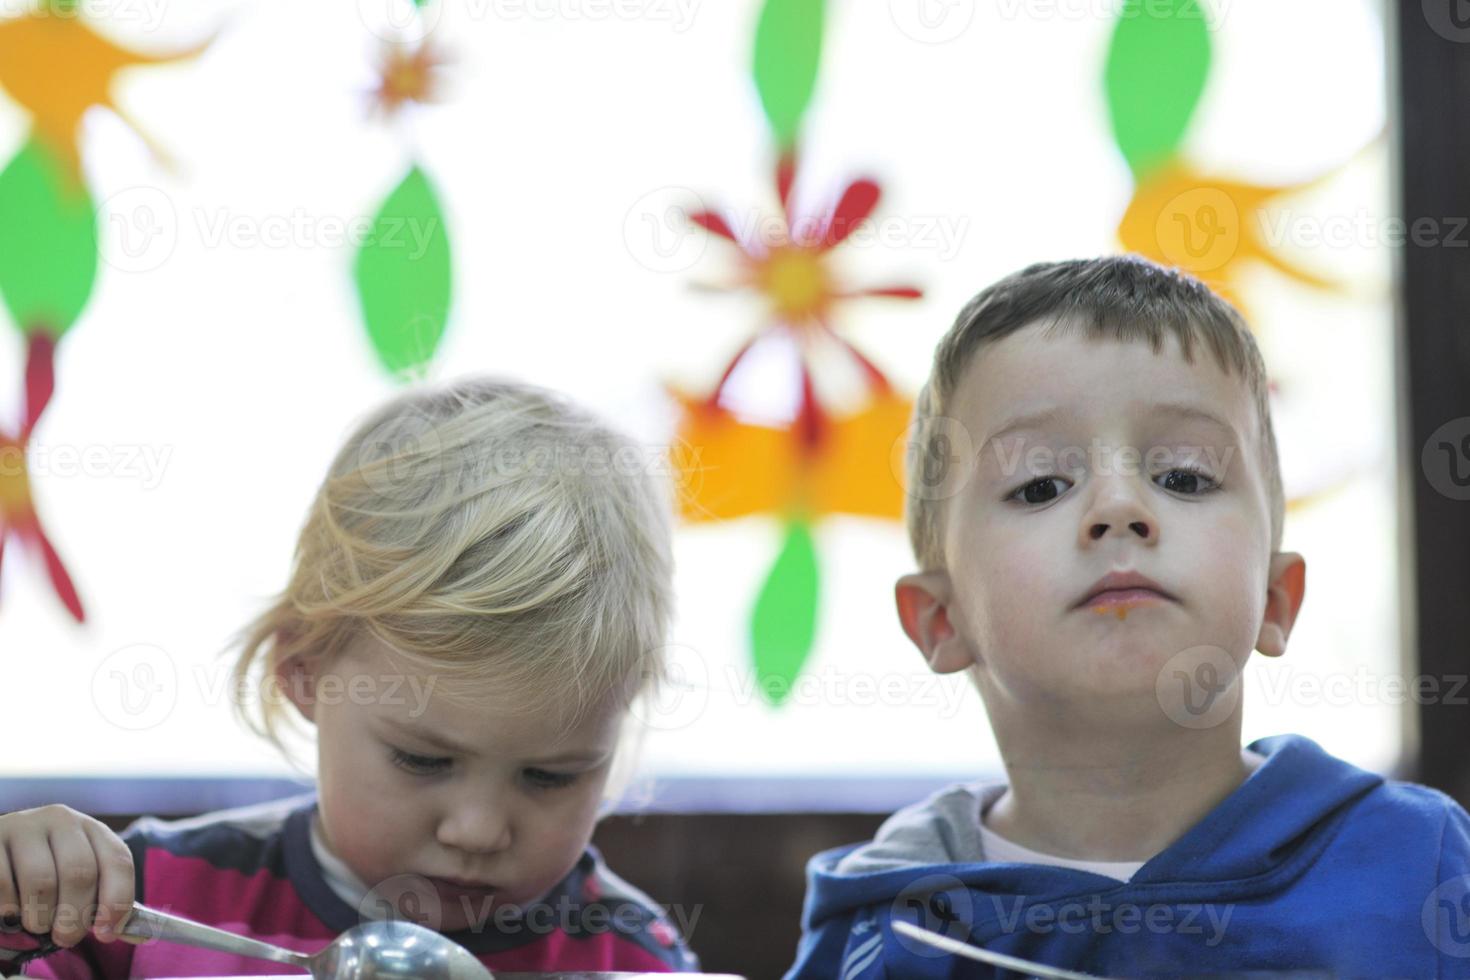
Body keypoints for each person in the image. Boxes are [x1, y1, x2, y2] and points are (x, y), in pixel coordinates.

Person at [785, 256, 1470, 978]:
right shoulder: (882, 931)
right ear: (940, 620)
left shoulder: (1416, 868)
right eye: (1041, 485)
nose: (1118, 508)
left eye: (1183, 477)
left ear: (1275, 600)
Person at [0, 376, 700, 976]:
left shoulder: (629, 957)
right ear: (303, 673)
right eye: (422, 759)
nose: (478, 830)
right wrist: (17, 892)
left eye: (550, 776)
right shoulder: (141, 904)